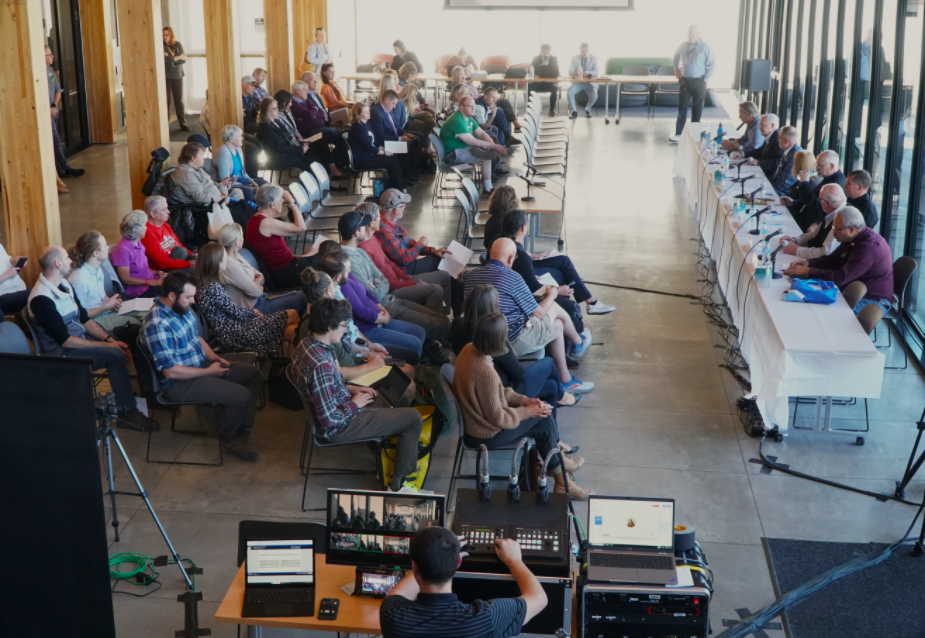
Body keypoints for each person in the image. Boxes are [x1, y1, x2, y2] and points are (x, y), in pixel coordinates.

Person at [288, 296, 424, 492]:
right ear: (329, 326)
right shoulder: (322, 365)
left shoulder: (309, 344)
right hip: (337, 426)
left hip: (340, 403)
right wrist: (355, 403)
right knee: (413, 419)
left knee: (396, 392)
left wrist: (352, 389)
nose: (345, 330)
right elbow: (329, 421)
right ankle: (398, 485)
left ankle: (380, 444)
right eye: (343, 326)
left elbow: (329, 384)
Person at [452, 313, 591, 498]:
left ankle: (560, 472)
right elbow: (499, 418)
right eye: (505, 333)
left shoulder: (470, 349)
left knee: (542, 418)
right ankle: (562, 477)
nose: (508, 333)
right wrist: (527, 411)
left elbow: (499, 392)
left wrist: (524, 400)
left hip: (479, 424)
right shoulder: (484, 371)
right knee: (543, 419)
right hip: (485, 434)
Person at [28, 246, 156, 431]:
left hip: (78, 339)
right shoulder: (41, 298)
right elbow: (65, 341)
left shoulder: (64, 284)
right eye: (66, 258)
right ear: (57, 264)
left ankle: (148, 393)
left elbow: (83, 318)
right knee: (115, 355)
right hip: (62, 354)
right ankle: (127, 412)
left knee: (133, 335)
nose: (70, 261)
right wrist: (108, 347)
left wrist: (107, 340)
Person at [142, 271, 263, 461]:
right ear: (172, 296)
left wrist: (216, 359)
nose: (192, 302)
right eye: (189, 297)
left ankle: (238, 428)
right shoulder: (157, 324)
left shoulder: (180, 309)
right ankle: (229, 438)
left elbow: (196, 339)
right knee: (241, 396)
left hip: (200, 367)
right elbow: (170, 371)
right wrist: (208, 371)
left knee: (254, 375)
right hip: (179, 384)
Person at [461, 239, 594, 395]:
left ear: (490, 253)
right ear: (511, 258)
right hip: (511, 341)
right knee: (553, 306)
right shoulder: (513, 277)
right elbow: (538, 312)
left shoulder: (470, 276)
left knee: (557, 326)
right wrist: (552, 294)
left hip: (481, 337)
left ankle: (566, 381)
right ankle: (578, 342)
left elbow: (460, 276)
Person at [380, 527, 548, 637]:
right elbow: (539, 598)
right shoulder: (485, 618)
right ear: (458, 563)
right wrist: (515, 561)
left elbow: (397, 593)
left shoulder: (391, 615)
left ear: (414, 567)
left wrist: (434, 554)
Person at [449, 284, 577, 411]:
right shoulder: (494, 337)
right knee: (548, 363)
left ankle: (559, 398)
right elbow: (517, 374)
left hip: (474, 388)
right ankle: (562, 394)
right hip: (503, 392)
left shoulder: (456, 326)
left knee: (552, 386)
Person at [338, 209, 450, 353]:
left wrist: (377, 283)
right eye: (363, 226)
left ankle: (432, 347)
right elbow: (373, 293)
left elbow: (382, 279)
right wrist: (379, 284)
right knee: (440, 324)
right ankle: (444, 350)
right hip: (385, 306)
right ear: (356, 233)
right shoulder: (348, 261)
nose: (367, 227)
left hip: (390, 299)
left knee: (442, 320)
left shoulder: (359, 251)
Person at [300, 267, 414, 381]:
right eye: (334, 286)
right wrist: (370, 365)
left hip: (356, 364)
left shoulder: (321, 317)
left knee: (407, 363)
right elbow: (337, 375)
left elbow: (346, 348)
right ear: (328, 292)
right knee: (408, 369)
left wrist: (367, 352)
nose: (345, 330)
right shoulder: (324, 324)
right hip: (353, 376)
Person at [317, 251, 426, 364]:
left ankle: (418, 365)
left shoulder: (342, 281)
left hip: (372, 324)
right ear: (339, 276)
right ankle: (415, 369)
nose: (350, 271)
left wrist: (380, 308)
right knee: (414, 346)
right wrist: (370, 344)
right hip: (367, 329)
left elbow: (367, 292)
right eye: (348, 269)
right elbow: (355, 324)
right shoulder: (336, 297)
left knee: (419, 332)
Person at [501, 208, 615, 316]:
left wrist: (532, 256)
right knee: (563, 272)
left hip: (520, 273)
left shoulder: (501, 242)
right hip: (528, 285)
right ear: (522, 228)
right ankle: (586, 304)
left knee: (563, 261)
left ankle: (590, 302)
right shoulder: (520, 257)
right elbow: (534, 288)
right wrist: (557, 290)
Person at [784, 207, 893, 314]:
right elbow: (832, 259)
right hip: (852, 288)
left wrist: (806, 271)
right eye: (833, 227)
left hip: (872, 300)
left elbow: (840, 278)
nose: (833, 232)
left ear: (851, 229)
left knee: (824, 313)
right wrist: (808, 263)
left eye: (837, 229)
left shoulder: (868, 249)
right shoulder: (853, 237)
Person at [194, 243, 297, 356]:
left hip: (234, 329)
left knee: (293, 323)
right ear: (217, 262)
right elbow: (236, 312)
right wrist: (253, 312)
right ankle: (291, 369)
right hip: (236, 334)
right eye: (225, 257)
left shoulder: (206, 285)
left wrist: (251, 313)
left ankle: (287, 368)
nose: (227, 259)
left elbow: (232, 311)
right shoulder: (212, 287)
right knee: (294, 324)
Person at [358, 202, 455, 314]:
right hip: (393, 288)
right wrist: (408, 282)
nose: (381, 218)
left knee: (445, 275)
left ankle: (445, 318)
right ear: (371, 223)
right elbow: (383, 279)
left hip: (400, 278)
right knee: (435, 290)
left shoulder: (373, 237)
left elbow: (389, 263)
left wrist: (406, 279)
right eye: (378, 217)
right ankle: (439, 323)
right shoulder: (364, 248)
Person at [216, 223, 307, 315]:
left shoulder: (238, 255)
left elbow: (259, 274)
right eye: (242, 236)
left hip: (261, 298)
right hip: (254, 308)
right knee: (301, 298)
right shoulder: (230, 266)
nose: (243, 238)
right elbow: (256, 292)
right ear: (236, 242)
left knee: (300, 295)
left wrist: (255, 282)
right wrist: (257, 282)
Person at [68, 231, 146, 330]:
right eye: (104, 246)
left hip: (106, 309)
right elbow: (80, 314)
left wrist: (112, 302)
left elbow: (102, 295)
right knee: (137, 325)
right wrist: (107, 307)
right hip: (95, 319)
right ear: (95, 253)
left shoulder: (98, 268)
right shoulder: (79, 279)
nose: (108, 247)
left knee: (145, 314)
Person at [245, 184, 319, 289]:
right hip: (287, 273)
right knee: (327, 252)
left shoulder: (256, 220)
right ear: (272, 205)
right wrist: (292, 202)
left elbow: (295, 232)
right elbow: (301, 228)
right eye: (280, 199)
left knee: (316, 250)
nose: (283, 201)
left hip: (286, 267)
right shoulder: (266, 223)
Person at [440, 96, 508, 195]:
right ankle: (488, 188)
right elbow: (473, 142)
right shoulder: (457, 121)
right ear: (461, 108)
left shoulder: (468, 118)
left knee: (488, 149)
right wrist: (495, 147)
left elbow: (481, 133)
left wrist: (492, 145)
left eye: (474, 106)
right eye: (470, 106)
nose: (473, 108)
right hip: (452, 154)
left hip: (461, 148)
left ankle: (488, 186)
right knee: (486, 157)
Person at [290, 76, 351, 171]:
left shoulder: (306, 100)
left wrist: (314, 112)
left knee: (340, 139)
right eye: (305, 90)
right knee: (337, 134)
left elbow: (320, 113)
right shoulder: (294, 103)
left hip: (320, 128)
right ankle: (339, 163)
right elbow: (309, 115)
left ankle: (344, 165)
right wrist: (314, 111)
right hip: (309, 133)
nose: (307, 92)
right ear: (297, 91)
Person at [347, 102, 410, 192]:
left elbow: (373, 140)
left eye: (368, 110)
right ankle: (398, 189)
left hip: (369, 155)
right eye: (365, 112)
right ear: (359, 115)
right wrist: (384, 152)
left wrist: (382, 147)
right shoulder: (358, 128)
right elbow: (368, 146)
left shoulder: (366, 124)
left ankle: (400, 186)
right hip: (363, 159)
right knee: (391, 161)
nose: (369, 113)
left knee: (394, 157)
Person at [46, 46, 84, 187]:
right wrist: (47, 109)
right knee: (54, 140)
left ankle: (60, 169)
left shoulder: (50, 71)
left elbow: (58, 90)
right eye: (49, 54)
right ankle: (64, 168)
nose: (52, 56)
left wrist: (54, 106)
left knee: (54, 140)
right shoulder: (38, 73)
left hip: (53, 111)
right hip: (46, 113)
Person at [669, 25, 716, 143]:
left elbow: (712, 64)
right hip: (685, 81)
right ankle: (679, 133)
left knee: (697, 108)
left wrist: (705, 79)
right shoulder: (683, 46)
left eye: (693, 33)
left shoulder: (705, 47)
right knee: (682, 107)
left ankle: (695, 134)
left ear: (698, 34)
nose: (690, 35)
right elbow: (675, 57)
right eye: (689, 33)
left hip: (699, 81)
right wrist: (676, 69)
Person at [780, 149, 846, 232]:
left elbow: (818, 208)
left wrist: (804, 183)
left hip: (811, 227)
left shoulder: (836, 184)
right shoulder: (827, 177)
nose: (817, 168)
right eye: (816, 165)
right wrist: (794, 203)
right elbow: (812, 200)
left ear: (832, 166)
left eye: (820, 166)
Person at [255, 97, 323, 173]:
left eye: (277, 107)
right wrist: (300, 149)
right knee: (312, 162)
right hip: (279, 158)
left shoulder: (276, 122)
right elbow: (281, 147)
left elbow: (288, 138)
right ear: (267, 111)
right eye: (274, 108)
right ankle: (308, 184)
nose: (277, 109)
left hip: (286, 153)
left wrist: (301, 144)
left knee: (315, 155)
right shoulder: (266, 127)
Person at [780, 185, 848, 259]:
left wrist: (796, 250)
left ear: (825, 203)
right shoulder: (832, 213)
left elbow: (826, 253)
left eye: (819, 200)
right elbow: (814, 235)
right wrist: (796, 240)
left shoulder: (841, 220)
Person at [370, 89, 423, 183]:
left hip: (391, 138)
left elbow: (395, 126)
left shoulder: (386, 109)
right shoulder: (376, 112)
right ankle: (403, 178)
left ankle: (410, 173)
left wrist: (404, 133)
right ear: (387, 100)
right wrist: (400, 139)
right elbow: (380, 137)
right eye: (393, 103)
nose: (395, 107)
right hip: (385, 143)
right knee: (407, 147)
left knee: (416, 140)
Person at [111, 211, 164, 299]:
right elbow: (125, 279)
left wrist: (159, 273)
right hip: (138, 290)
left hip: (151, 280)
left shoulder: (138, 242)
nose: (146, 228)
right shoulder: (123, 250)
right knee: (175, 290)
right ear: (136, 230)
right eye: (144, 225)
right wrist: (151, 282)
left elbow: (144, 268)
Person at [172, 142, 243, 205]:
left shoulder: (197, 168)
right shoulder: (186, 173)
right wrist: (221, 199)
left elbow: (210, 182)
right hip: (206, 208)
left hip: (216, 200)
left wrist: (221, 188)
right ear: (193, 158)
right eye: (201, 155)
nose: (203, 158)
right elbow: (200, 197)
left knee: (239, 195)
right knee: (243, 211)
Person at [211, 125, 266, 203]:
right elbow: (226, 181)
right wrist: (246, 186)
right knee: (249, 193)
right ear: (231, 139)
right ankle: (251, 212)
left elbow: (242, 172)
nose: (242, 138)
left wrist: (251, 181)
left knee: (264, 184)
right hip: (229, 186)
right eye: (239, 136)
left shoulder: (238, 149)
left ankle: (262, 211)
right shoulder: (223, 153)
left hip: (240, 181)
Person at [140, 195, 196, 272]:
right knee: (199, 274)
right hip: (163, 271)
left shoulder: (164, 225)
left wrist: (191, 255)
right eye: (164, 209)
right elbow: (162, 262)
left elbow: (178, 245)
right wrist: (188, 264)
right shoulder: (147, 233)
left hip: (178, 263)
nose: (168, 212)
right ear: (153, 214)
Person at [162, 27, 190, 132]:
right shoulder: (161, 46)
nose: (165, 37)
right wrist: (177, 58)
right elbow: (163, 59)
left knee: (179, 101)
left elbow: (184, 59)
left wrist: (172, 60)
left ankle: (183, 123)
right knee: (167, 101)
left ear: (171, 35)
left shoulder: (177, 45)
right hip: (166, 77)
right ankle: (165, 124)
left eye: (167, 35)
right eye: (163, 35)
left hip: (178, 75)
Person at [762, 125, 801, 197]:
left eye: (779, 138)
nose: (777, 140)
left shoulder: (794, 156)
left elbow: (784, 184)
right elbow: (777, 176)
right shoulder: (788, 151)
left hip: (783, 194)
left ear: (786, 141)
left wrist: (768, 190)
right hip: (776, 188)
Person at [567, 43, 599, 119]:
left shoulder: (593, 58)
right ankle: (574, 111)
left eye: (587, 50)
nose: (585, 52)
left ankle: (588, 109)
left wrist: (587, 73)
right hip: (578, 83)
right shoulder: (574, 58)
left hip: (589, 83)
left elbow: (596, 71)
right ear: (580, 50)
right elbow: (570, 71)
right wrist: (575, 72)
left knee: (594, 94)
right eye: (583, 51)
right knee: (570, 92)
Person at [529, 44, 561, 117]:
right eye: (544, 53)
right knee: (529, 87)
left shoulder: (554, 59)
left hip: (549, 83)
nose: (546, 55)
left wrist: (548, 65)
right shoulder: (536, 59)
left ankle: (552, 110)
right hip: (538, 83)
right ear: (541, 52)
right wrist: (541, 65)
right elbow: (530, 70)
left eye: (548, 53)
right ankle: (531, 108)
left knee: (554, 88)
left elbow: (556, 72)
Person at [0, 241, 29, 315]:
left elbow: (7, 260)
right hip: (3, 296)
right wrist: (6, 276)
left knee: (38, 294)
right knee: (37, 297)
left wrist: (15, 260)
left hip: (20, 288)